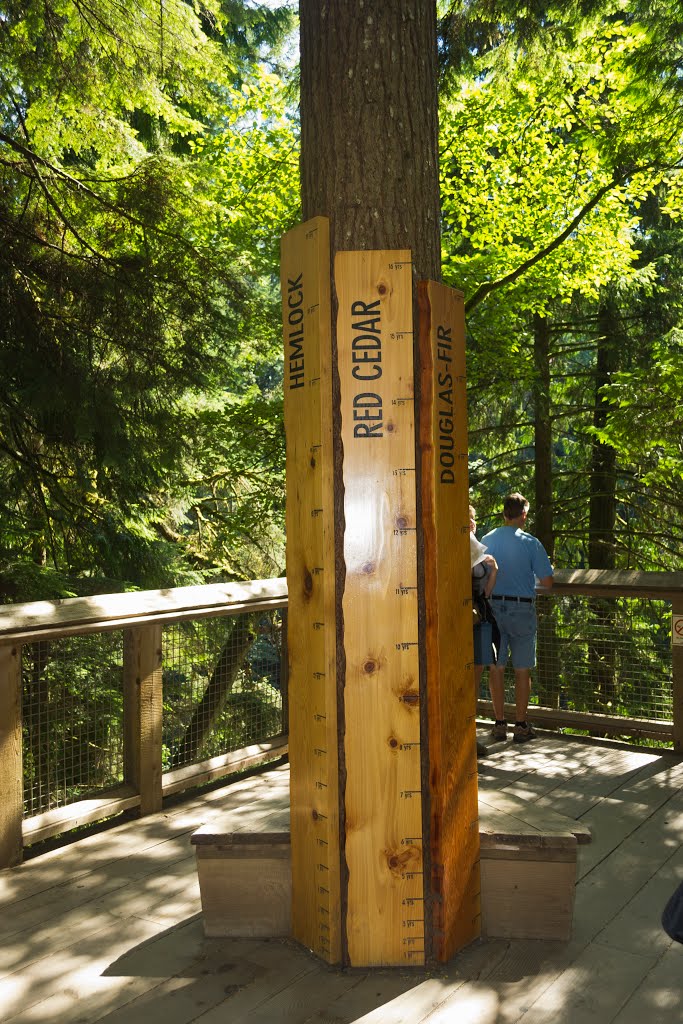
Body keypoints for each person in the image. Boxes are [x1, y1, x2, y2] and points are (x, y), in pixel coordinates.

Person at [481, 493, 554, 744]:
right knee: (522, 669)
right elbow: (547, 582)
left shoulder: (487, 540)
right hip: (522, 610)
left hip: (493, 609)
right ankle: (520, 725)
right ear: (523, 515)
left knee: (496, 667)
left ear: (504, 514)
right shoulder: (531, 543)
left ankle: (499, 723)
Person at [469, 505, 499, 757]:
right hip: (466, 618)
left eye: (473, 519)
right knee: (469, 674)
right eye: (467, 519)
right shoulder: (463, 546)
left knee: (477, 671)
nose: (472, 523)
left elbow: (486, 590)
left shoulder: (474, 546)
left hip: (479, 616)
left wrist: (494, 570)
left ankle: (470, 733)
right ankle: (465, 734)